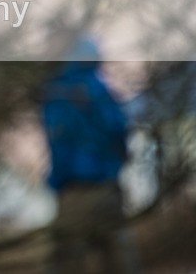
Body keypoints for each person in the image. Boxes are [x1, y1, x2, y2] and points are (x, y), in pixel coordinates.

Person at [41, 37, 139, 274]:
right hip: (105, 186)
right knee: (118, 257)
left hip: (71, 191)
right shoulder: (99, 90)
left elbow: (57, 143)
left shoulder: (55, 92)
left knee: (67, 259)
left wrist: (58, 180)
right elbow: (118, 130)